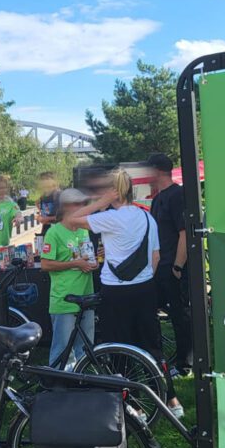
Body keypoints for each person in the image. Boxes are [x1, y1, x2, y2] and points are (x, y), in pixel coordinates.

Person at [68, 168, 184, 418]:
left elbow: (72, 219)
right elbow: (155, 256)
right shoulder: (146, 218)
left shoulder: (109, 218)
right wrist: (143, 278)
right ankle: (172, 400)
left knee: (118, 348)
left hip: (115, 291)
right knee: (152, 345)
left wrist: (101, 202)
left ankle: (134, 405)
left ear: (113, 192)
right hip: (144, 288)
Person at [40, 188, 96, 368]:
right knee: (63, 349)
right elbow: (45, 264)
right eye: (78, 204)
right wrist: (76, 264)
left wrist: (95, 262)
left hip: (86, 296)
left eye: (83, 204)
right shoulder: (54, 232)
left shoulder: (83, 230)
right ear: (66, 208)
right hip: (64, 299)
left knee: (86, 346)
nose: (82, 208)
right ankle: (58, 386)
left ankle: (82, 381)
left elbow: (86, 258)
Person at [147, 153, 193, 375]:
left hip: (174, 267)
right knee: (148, 310)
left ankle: (186, 363)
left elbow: (184, 233)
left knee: (180, 315)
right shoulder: (157, 199)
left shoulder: (177, 195)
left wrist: (177, 266)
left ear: (156, 171)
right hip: (159, 267)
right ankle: (159, 359)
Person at [35, 171, 60, 237]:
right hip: (46, 228)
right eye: (42, 180)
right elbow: (43, 211)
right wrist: (40, 217)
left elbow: (61, 216)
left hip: (58, 229)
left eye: (47, 179)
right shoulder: (43, 196)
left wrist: (45, 219)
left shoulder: (57, 195)